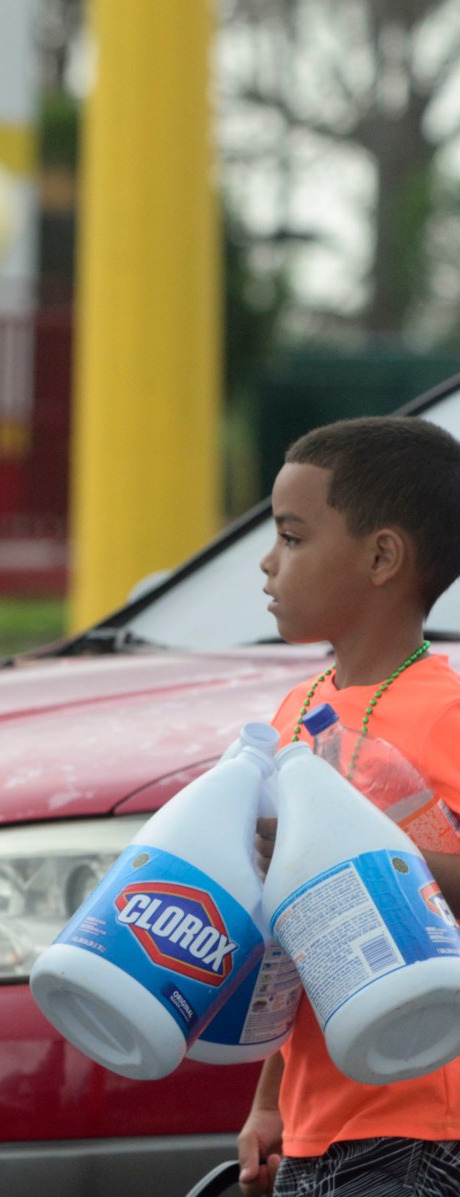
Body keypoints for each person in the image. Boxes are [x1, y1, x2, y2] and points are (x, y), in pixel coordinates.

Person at [240, 416, 460, 1196]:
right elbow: (294, 935)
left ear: (382, 556)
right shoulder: (293, 712)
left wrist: (354, 861)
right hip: (313, 1126)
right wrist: (269, 1106)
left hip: (422, 1121)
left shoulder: (446, 713)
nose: (268, 564)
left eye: (293, 539)